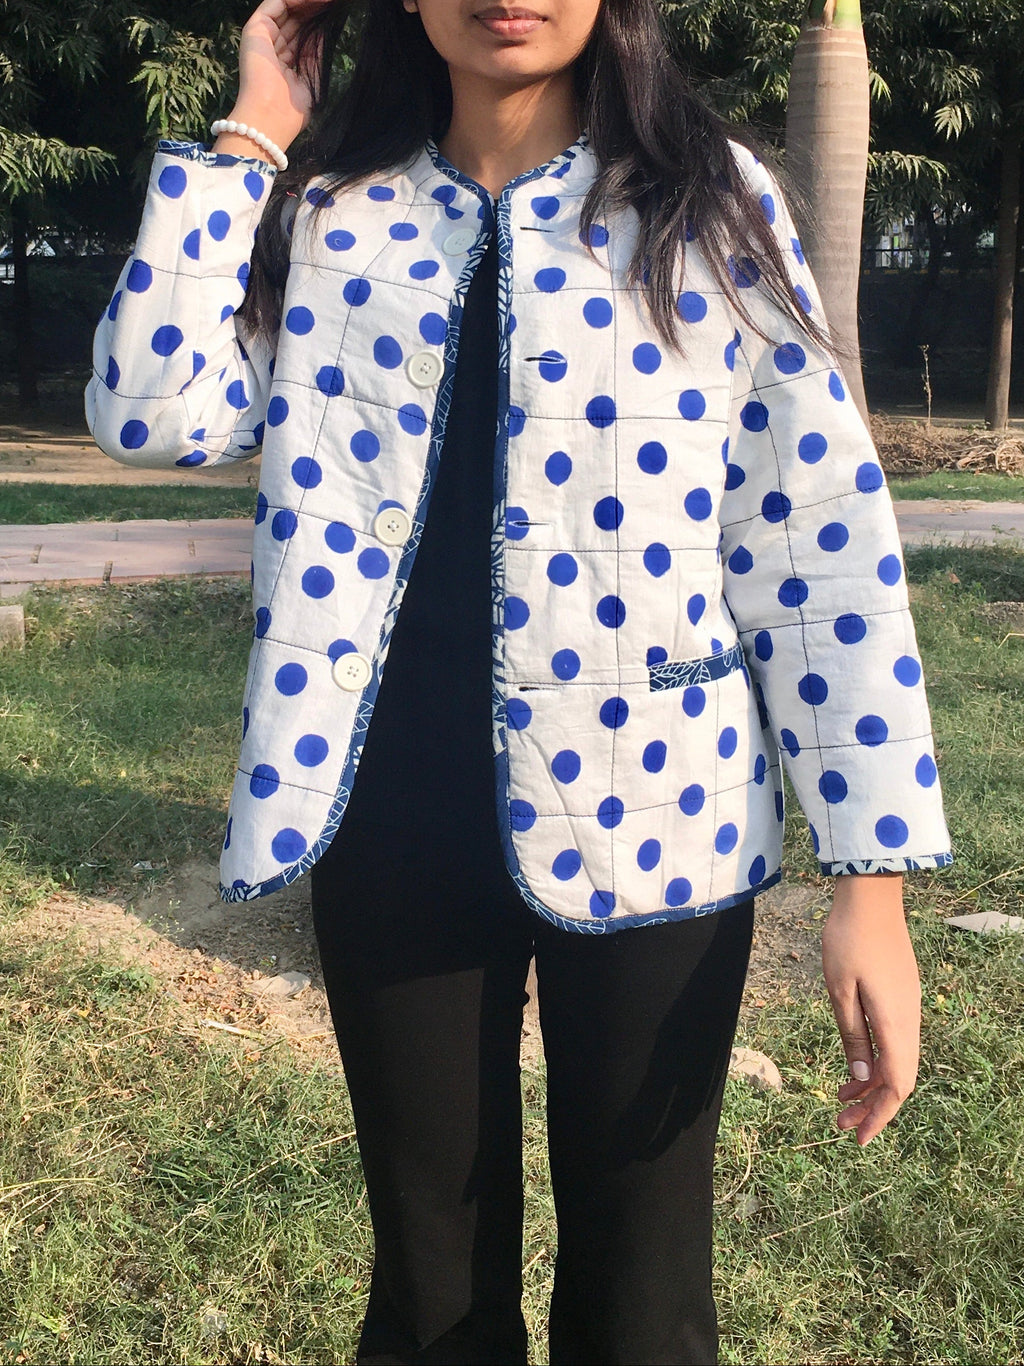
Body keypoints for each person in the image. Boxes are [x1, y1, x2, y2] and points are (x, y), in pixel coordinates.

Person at [86, 1, 953, 1361]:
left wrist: (874, 883)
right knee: (431, 1292)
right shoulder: (331, 211)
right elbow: (151, 406)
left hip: (664, 811)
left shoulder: (705, 203)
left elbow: (816, 541)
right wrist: (257, 126)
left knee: (644, 1300)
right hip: (386, 816)